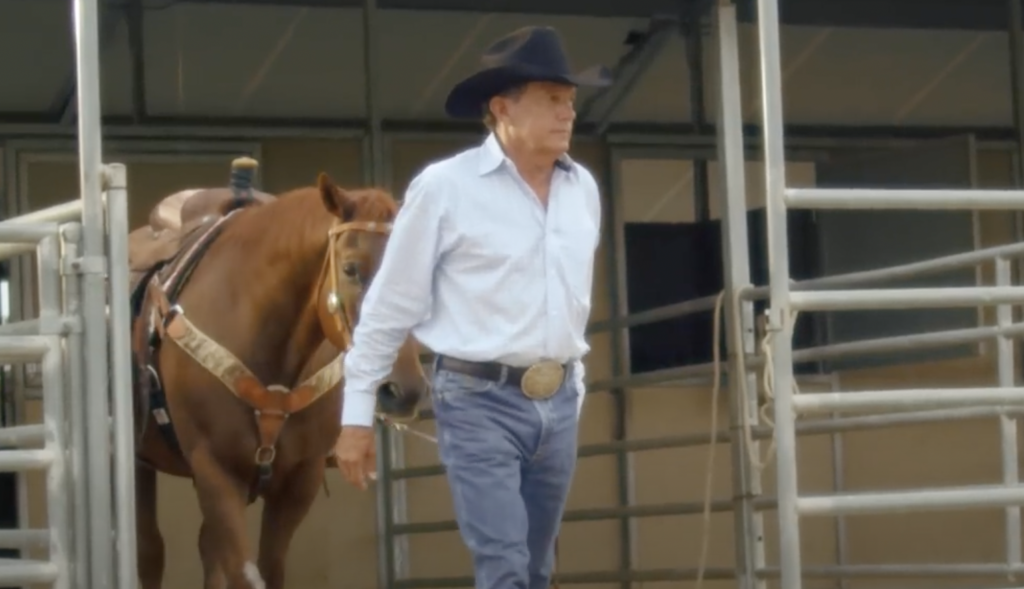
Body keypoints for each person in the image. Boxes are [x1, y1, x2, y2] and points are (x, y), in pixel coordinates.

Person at [333, 25, 613, 589]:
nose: (567, 114)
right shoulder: (444, 188)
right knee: (505, 565)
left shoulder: (583, 188)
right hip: (479, 399)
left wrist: (571, 387)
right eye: (551, 99)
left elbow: (570, 306)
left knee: (537, 569)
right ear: (502, 107)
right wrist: (356, 417)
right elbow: (389, 306)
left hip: (557, 400)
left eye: (570, 102)